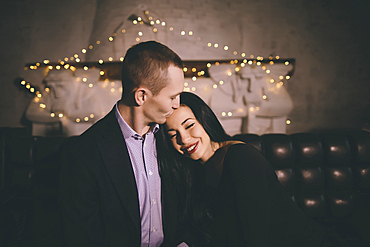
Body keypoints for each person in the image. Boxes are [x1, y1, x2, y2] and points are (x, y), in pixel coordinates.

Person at [157, 92, 348, 247]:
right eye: (173, 135)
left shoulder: (241, 158)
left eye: (189, 125)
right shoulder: (191, 170)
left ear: (204, 121)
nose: (184, 139)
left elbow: (254, 237)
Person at [59, 41, 187, 247]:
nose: (177, 104)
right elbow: (82, 236)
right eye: (172, 96)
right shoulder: (83, 153)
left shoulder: (172, 136)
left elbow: (190, 204)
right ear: (141, 96)